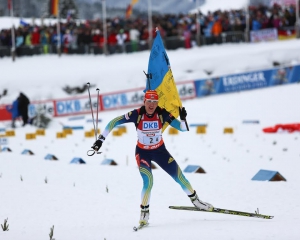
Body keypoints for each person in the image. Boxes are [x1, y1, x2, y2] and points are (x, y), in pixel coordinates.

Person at [91, 90, 213, 225]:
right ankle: (144, 213)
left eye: (154, 102)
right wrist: (100, 140)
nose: (151, 105)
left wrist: (183, 119)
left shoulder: (162, 113)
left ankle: (197, 201)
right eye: (149, 101)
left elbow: (182, 128)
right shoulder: (136, 114)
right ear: (144, 102)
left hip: (160, 151)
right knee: (148, 181)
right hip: (143, 153)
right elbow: (113, 122)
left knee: (180, 177)